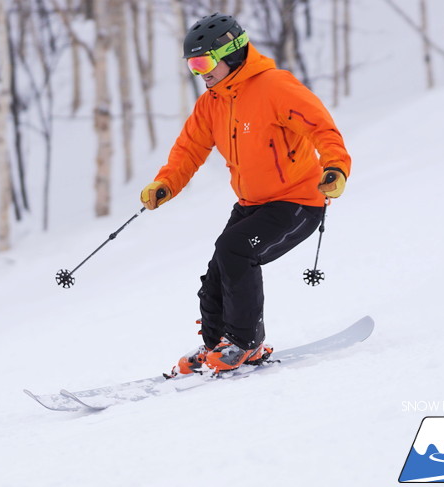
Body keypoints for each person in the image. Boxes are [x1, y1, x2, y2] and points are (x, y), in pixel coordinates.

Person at [140, 13, 351, 375]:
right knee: (218, 272)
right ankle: (216, 346)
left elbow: (320, 126)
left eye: (204, 61)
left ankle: (246, 345)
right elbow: (189, 150)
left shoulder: (275, 87)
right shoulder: (212, 102)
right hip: (252, 204)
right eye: (192, 65)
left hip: (297, 201)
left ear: (232, 53)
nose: (199, 72)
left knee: (234, 250)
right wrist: (166, 183)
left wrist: (335, 167)